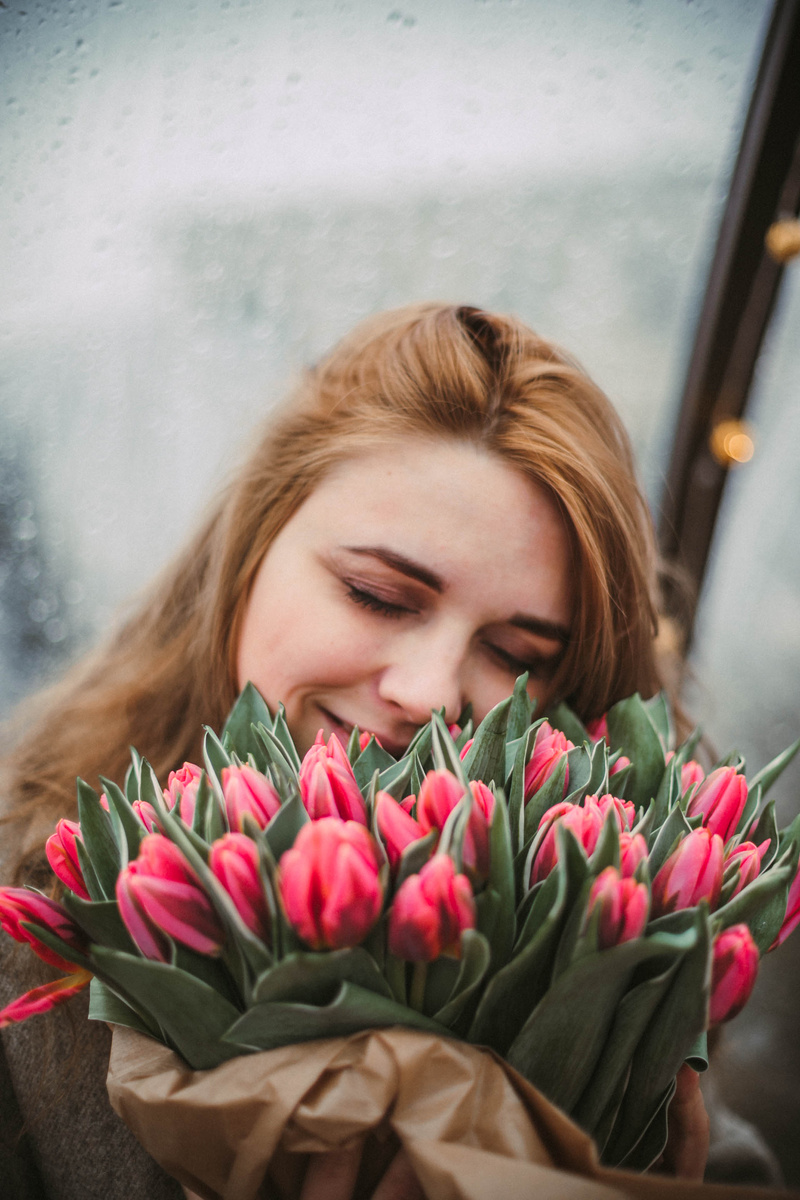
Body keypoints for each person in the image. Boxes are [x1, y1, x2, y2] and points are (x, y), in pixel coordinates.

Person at [0, 303, 709, 1199]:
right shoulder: (27, 917)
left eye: (516, 654)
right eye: (377, 594)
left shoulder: (628, 968)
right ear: (249, 551)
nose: (432, 693)